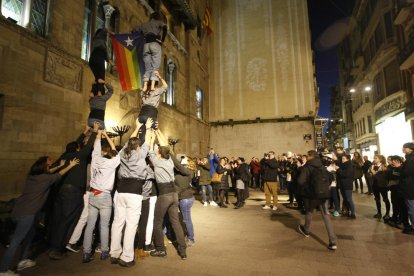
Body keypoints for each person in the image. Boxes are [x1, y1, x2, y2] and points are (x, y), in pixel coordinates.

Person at [0, 157, 79, 275]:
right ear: (43, 168)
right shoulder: (45, 179)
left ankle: (23, 260)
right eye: (48, 164)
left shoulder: (32, 177)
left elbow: (51, 172)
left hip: (18, 211)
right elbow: (58, 175)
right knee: (16, 241)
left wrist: (59, 166)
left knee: (29, 234)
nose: (51, 165)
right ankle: (3, 270)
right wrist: (70, 165)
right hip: (27, 214)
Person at [49, 122, 99, 260]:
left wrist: (84, 133)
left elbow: (74, 145)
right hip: (73, 192)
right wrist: (94, 132)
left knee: (60, 218)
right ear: (78, 149)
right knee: (68, 219)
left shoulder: (65, 156)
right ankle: (57, 248)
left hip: (62, 191)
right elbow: (88, 147)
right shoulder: (79, 157)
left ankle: (54, 244)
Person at [110, 118, 152, 267]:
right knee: (131, 225)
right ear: (138, 147)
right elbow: (146, 142)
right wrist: (145, 128)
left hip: (120, 191)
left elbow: (129, 142)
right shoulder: (140, 154)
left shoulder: (122, 153)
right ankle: (127, 257)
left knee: (117, 223)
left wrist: (137, 127)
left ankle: (114, 252)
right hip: (134, 191)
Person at [148, 129, 187, 260]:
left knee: (157, 222)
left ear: (159, 152)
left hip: (164, 194)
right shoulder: (170, 160)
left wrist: (152, 136)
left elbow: (149, 148)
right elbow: (166, 147)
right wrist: (158, 132)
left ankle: (160, 249)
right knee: (175, 222)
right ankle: (183, 250)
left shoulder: (157, 161)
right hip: (174, 194)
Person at [82, 130, 120, 263]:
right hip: (104, 196)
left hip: (93, 194)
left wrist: (99, 134)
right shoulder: (112, 163)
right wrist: (108, 137)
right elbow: (115, 150)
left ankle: (86, 253)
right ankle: (104, 251)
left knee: (90, 225)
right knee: (104, 225)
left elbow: (96, 146)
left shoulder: (95, 159)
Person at [297, 150, 337, 251]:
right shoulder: (321, 165)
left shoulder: (307, 166)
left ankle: (306, 230)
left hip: (312, 194)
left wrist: (306, 188)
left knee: (309, 212)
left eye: (307, 155)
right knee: (326, 216)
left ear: (310, 156)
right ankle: (333, 242)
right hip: (324, 194)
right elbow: (330, 177)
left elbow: (300, 181)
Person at [132, 12, 167, 91]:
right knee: (155, 66)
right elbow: (165, 27)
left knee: (148, 68)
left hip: (146, 46)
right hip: (155, 44)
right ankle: (152, 86)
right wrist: (162, 40)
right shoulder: (158, 22)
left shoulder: (144, 25)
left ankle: (144, 86)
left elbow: (133, 31)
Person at [172, 156, 196, 247]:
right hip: (185, 198)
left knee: (186, 219)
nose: (182, 159)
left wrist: (170, 154)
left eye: (184, 158)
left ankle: (191, 238)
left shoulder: (187, 171)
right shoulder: (184, 170)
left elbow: (178, 165)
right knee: (184, 219)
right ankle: (186, 235)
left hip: (185, 198)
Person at [137, 71, 168, 143]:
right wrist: (160, 77)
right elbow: (166, 86)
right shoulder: (156, 91)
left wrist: (145, 79)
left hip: (141, 116)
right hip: (151, 114)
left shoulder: (143, 91)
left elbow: (144, 87)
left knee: (141, 134)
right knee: (151, 135)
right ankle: (149, 150)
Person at [88, 28, 114, 93]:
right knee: (101, 78)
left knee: (98, 78)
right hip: (99, 59)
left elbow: (106, 58)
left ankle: (94, 93)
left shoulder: (95, 41)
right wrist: (111, 32)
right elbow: (105, 29)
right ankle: (100, 93)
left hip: (91, 61)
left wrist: (113, 65)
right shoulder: (101, 40)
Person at [370, 155, 390, 221]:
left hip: (382, 186)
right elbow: (370, 175)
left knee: (385, 199)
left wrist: (375, 174)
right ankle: (379, 213)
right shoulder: (373, 166)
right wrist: (371, 173)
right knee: (377, 199)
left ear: (380, 159)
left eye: (376, 158)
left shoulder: (384, 166)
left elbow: (382, 178)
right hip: (375, 185)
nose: (374, 159)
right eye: (374, 158)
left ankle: (387, 213)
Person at [400, 143, 414, 235]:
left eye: (405, 148)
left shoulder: (410, 160)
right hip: (410, 185)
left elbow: (406, 172)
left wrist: (400, 168)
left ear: (411, 149)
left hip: (410, 186)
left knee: (411, 208)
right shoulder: (409, 159)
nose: (403, 149)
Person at [337, 155, 356, 219]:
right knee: (345, 199)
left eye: (344, 158)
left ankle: (353, 214)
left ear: (348, 159)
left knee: (349, 199)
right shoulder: (343, 165)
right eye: (342, 158)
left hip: (347, 184)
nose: (342, 160)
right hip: (342, 184)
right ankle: (347, 212)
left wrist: (339, 170)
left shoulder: (349, 165)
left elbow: (346, 174)